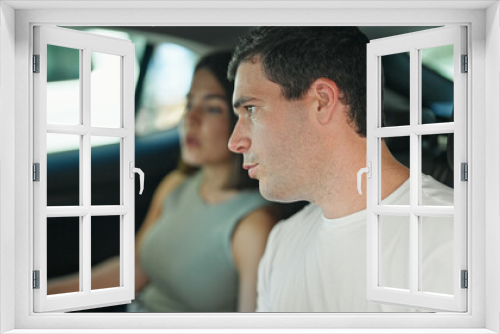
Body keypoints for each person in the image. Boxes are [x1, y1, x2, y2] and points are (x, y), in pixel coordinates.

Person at [227, 27, 454, 312]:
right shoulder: (281, 243)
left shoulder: (450, 241)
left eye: (250, 109)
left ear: (322, 101)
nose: (234, 142)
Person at [48, 51, 279, 313]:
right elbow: (133, 271)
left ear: (243, 121)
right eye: (189, 105)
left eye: (213, 108)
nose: (190, 119)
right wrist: (37, 295)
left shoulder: (253, 225)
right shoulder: (176, 185)